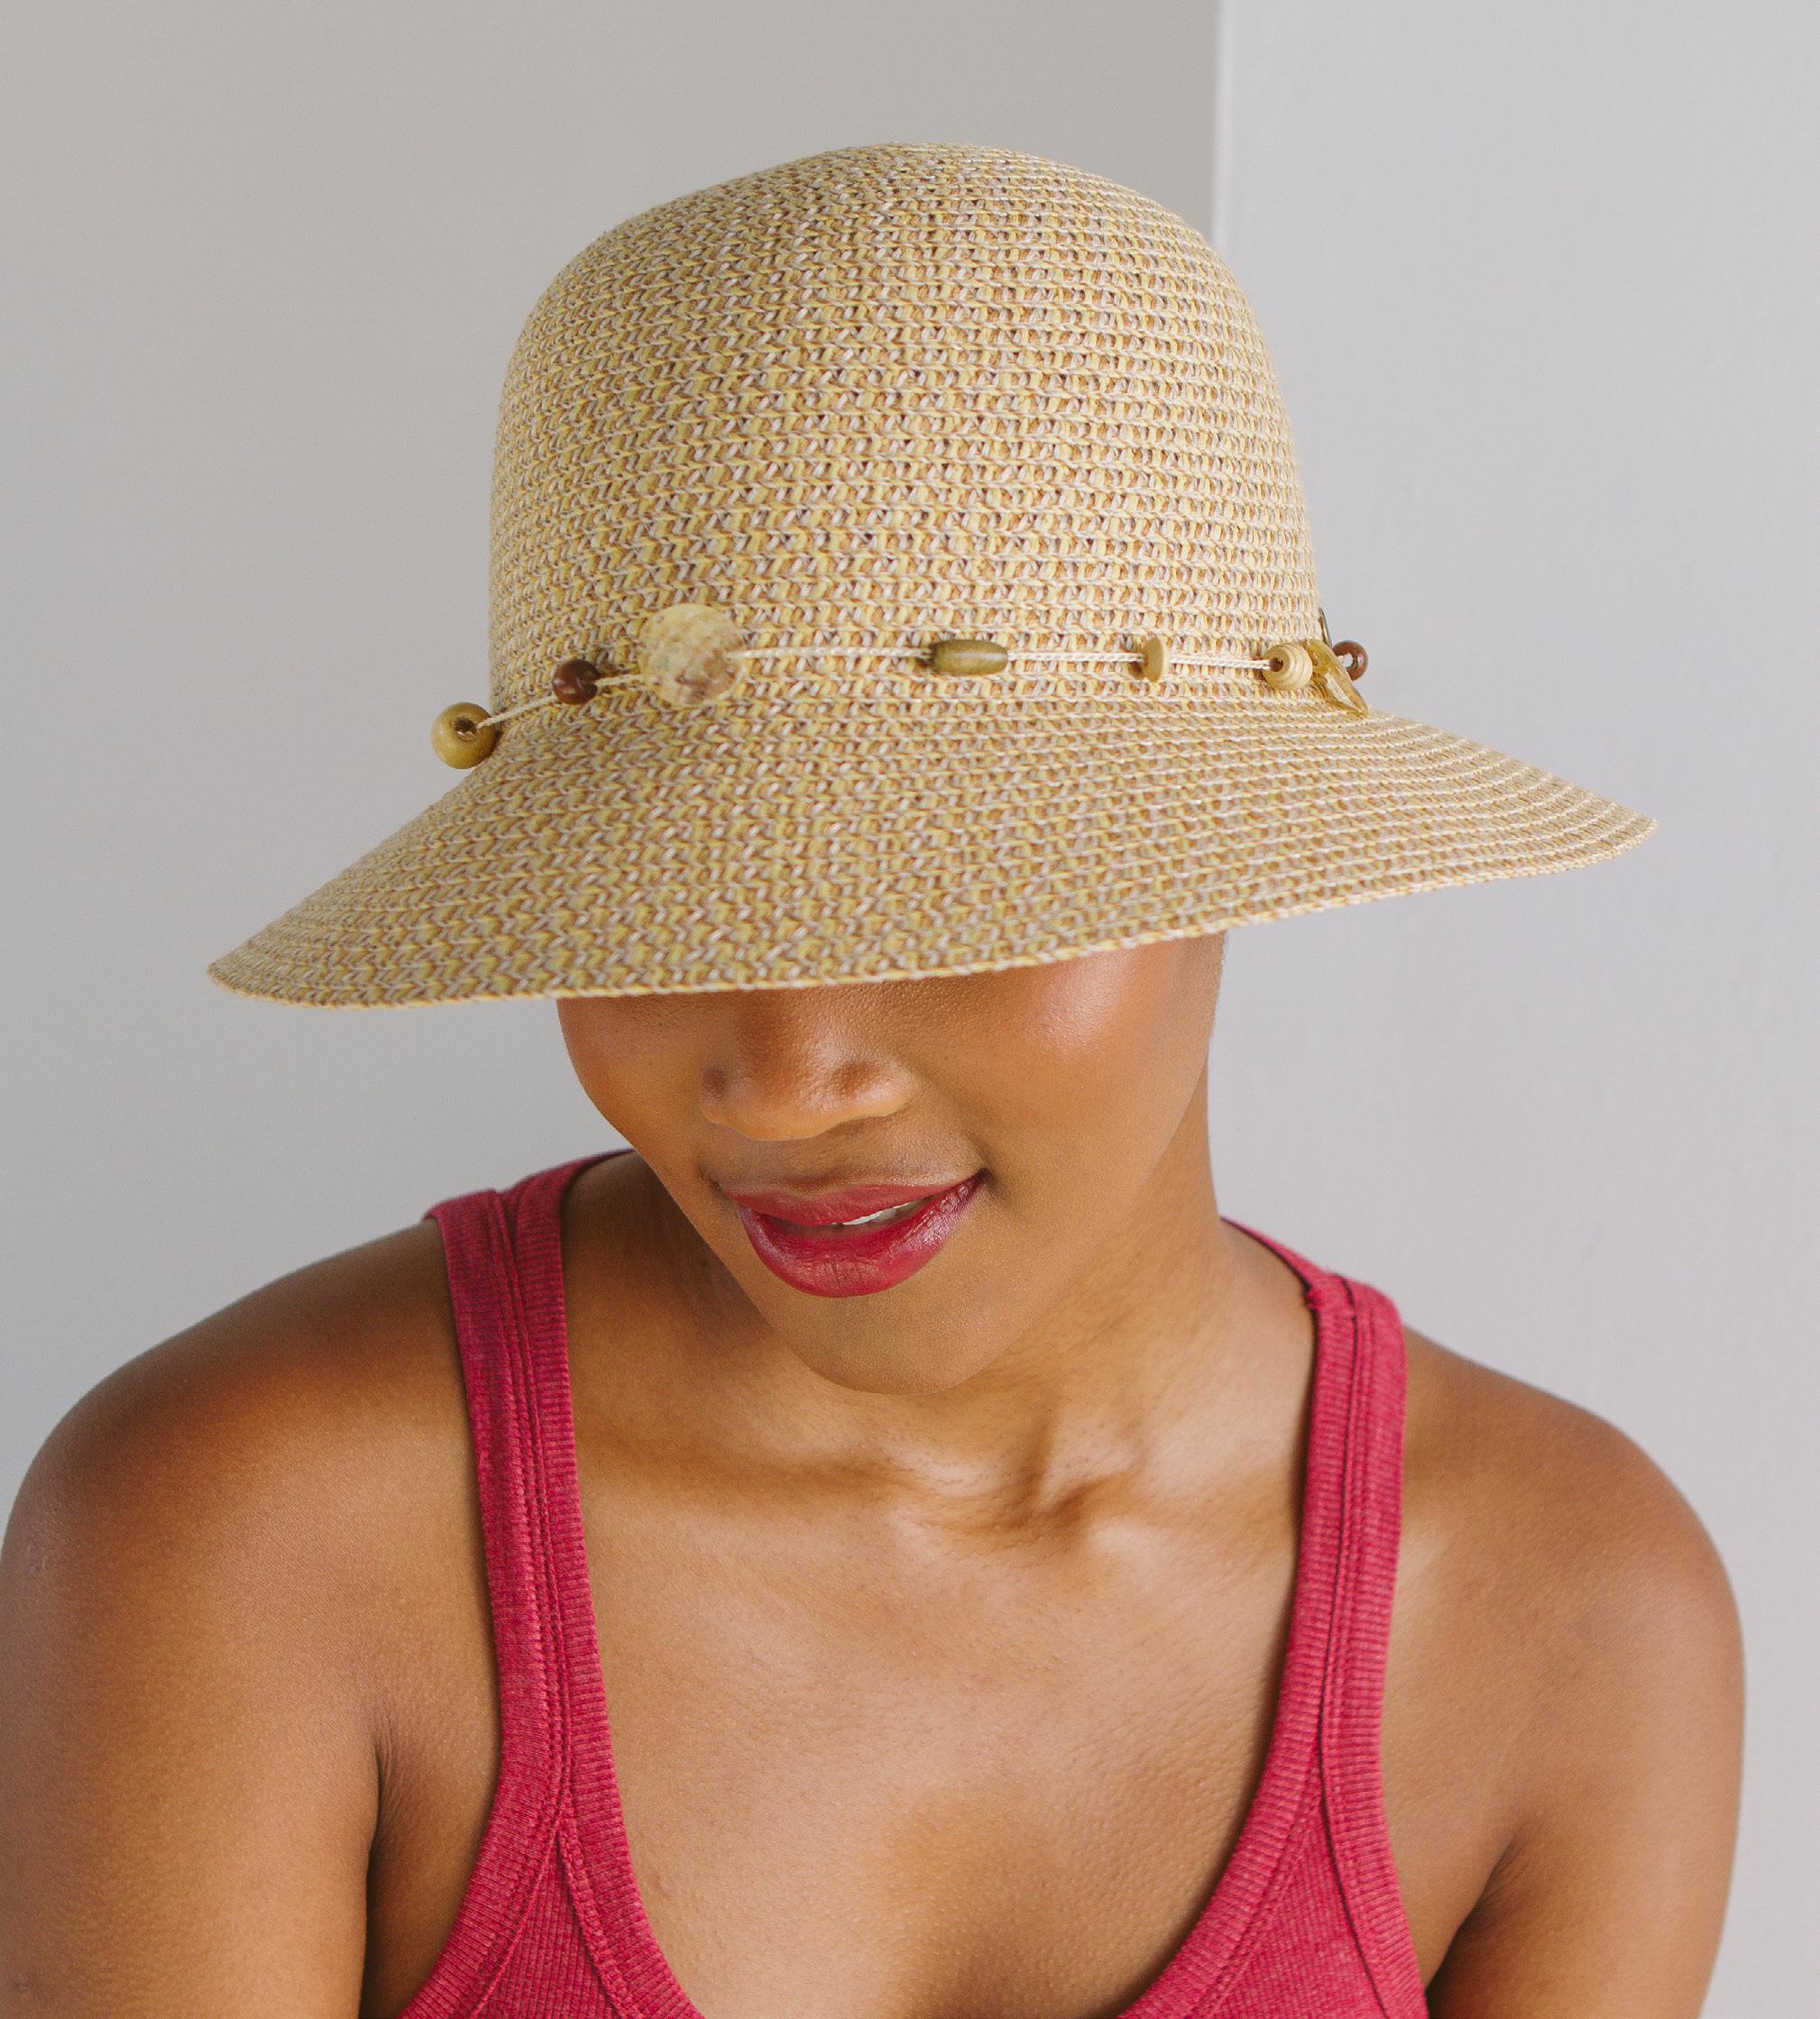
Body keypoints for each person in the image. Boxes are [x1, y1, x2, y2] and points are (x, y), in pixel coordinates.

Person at [0, 142, 1742, 2018]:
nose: (785, 1082)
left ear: (1236, 859)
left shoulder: (1570, 1613)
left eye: (955, 895)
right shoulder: (247, 1527)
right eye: (655, 898)